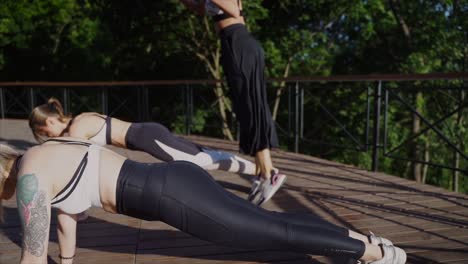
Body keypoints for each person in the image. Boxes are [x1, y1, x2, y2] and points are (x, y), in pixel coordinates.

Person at [0, 141, 406, 264]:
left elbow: (32, 260)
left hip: (168, 196)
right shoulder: (44, 151)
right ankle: (363, 241)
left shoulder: (32, 179)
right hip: (172, 178)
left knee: (269, 233)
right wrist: (67, 262)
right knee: (266, 223)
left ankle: (375, 254)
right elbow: (66, 219)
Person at [179, 0, 286, 205]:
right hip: (234, 44)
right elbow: (201, 9)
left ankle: (269, 173)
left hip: (238, 43)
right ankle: (262, 173)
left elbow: (234, 10)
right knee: (247, 108)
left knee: (250, 106)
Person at [29, 97, 256, 176]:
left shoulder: (77, 128)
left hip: (147, 136)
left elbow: (76, 161)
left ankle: (262, 172)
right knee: (203, 156)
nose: (47, 137)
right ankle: (261, 171)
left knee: (201, 162)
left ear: (49, 121)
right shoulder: (79, 119)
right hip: (148, 133)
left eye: (44, 133)